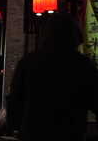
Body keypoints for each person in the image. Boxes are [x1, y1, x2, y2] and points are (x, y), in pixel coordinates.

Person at [8, 13, 98, 141]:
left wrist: (16, 125)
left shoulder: (28, 62)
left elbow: (14, 102)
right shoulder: (82, 65)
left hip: (33, 132)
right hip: (69, 133)